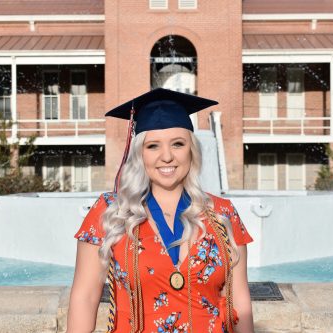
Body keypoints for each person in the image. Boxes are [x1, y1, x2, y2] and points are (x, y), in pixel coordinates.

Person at [67, 88, 254, 333]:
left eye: (178, 144)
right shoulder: (111, 212)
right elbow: (85, 298)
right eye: (153, 146)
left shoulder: (222, 214)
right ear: (139, 154)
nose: (167, 156)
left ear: (191, 149)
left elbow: (239, 301)